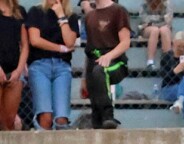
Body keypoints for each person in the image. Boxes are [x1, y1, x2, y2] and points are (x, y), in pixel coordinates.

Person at [24, 0, 75, 129]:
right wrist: (60, 48)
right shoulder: (36, 12)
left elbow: (70, 42)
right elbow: (35, 40)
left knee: (61, 118)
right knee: (45, 117)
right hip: (39, 65)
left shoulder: (71, 16)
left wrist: (61, 15)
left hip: (62, 66)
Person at [82, 0, 133, 129]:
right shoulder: (89, 16)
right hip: (94, 60)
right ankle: (99, 121)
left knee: (100, 70)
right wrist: (84, 77)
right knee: (94, 99)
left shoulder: (118, 11)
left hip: (115, 61)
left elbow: (125, 42)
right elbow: (89, 51)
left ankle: (108, 114)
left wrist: (109, 56)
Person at [155, 29, 184, 126]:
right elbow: (165, 78)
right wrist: (176, 70)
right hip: (170, 88)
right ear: (173, 43)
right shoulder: (166, 57)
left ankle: (179, 102)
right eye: (179, 46)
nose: (181, 49)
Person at [0, 0, 26, 131]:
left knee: (9, 121)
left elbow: (25, 45)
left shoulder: (19, 11)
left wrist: (19, 70)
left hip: (13, 71)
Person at [137, 0, 169, 68]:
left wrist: (152, 22)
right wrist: (159, 20)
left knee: (164, 30)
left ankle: (168, 60)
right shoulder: (144, 4)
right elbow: (144, 19)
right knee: (155, 30)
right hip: (147, 29)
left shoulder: (167, 3)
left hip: (163, 27)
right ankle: (150, 62)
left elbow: (168, 21)